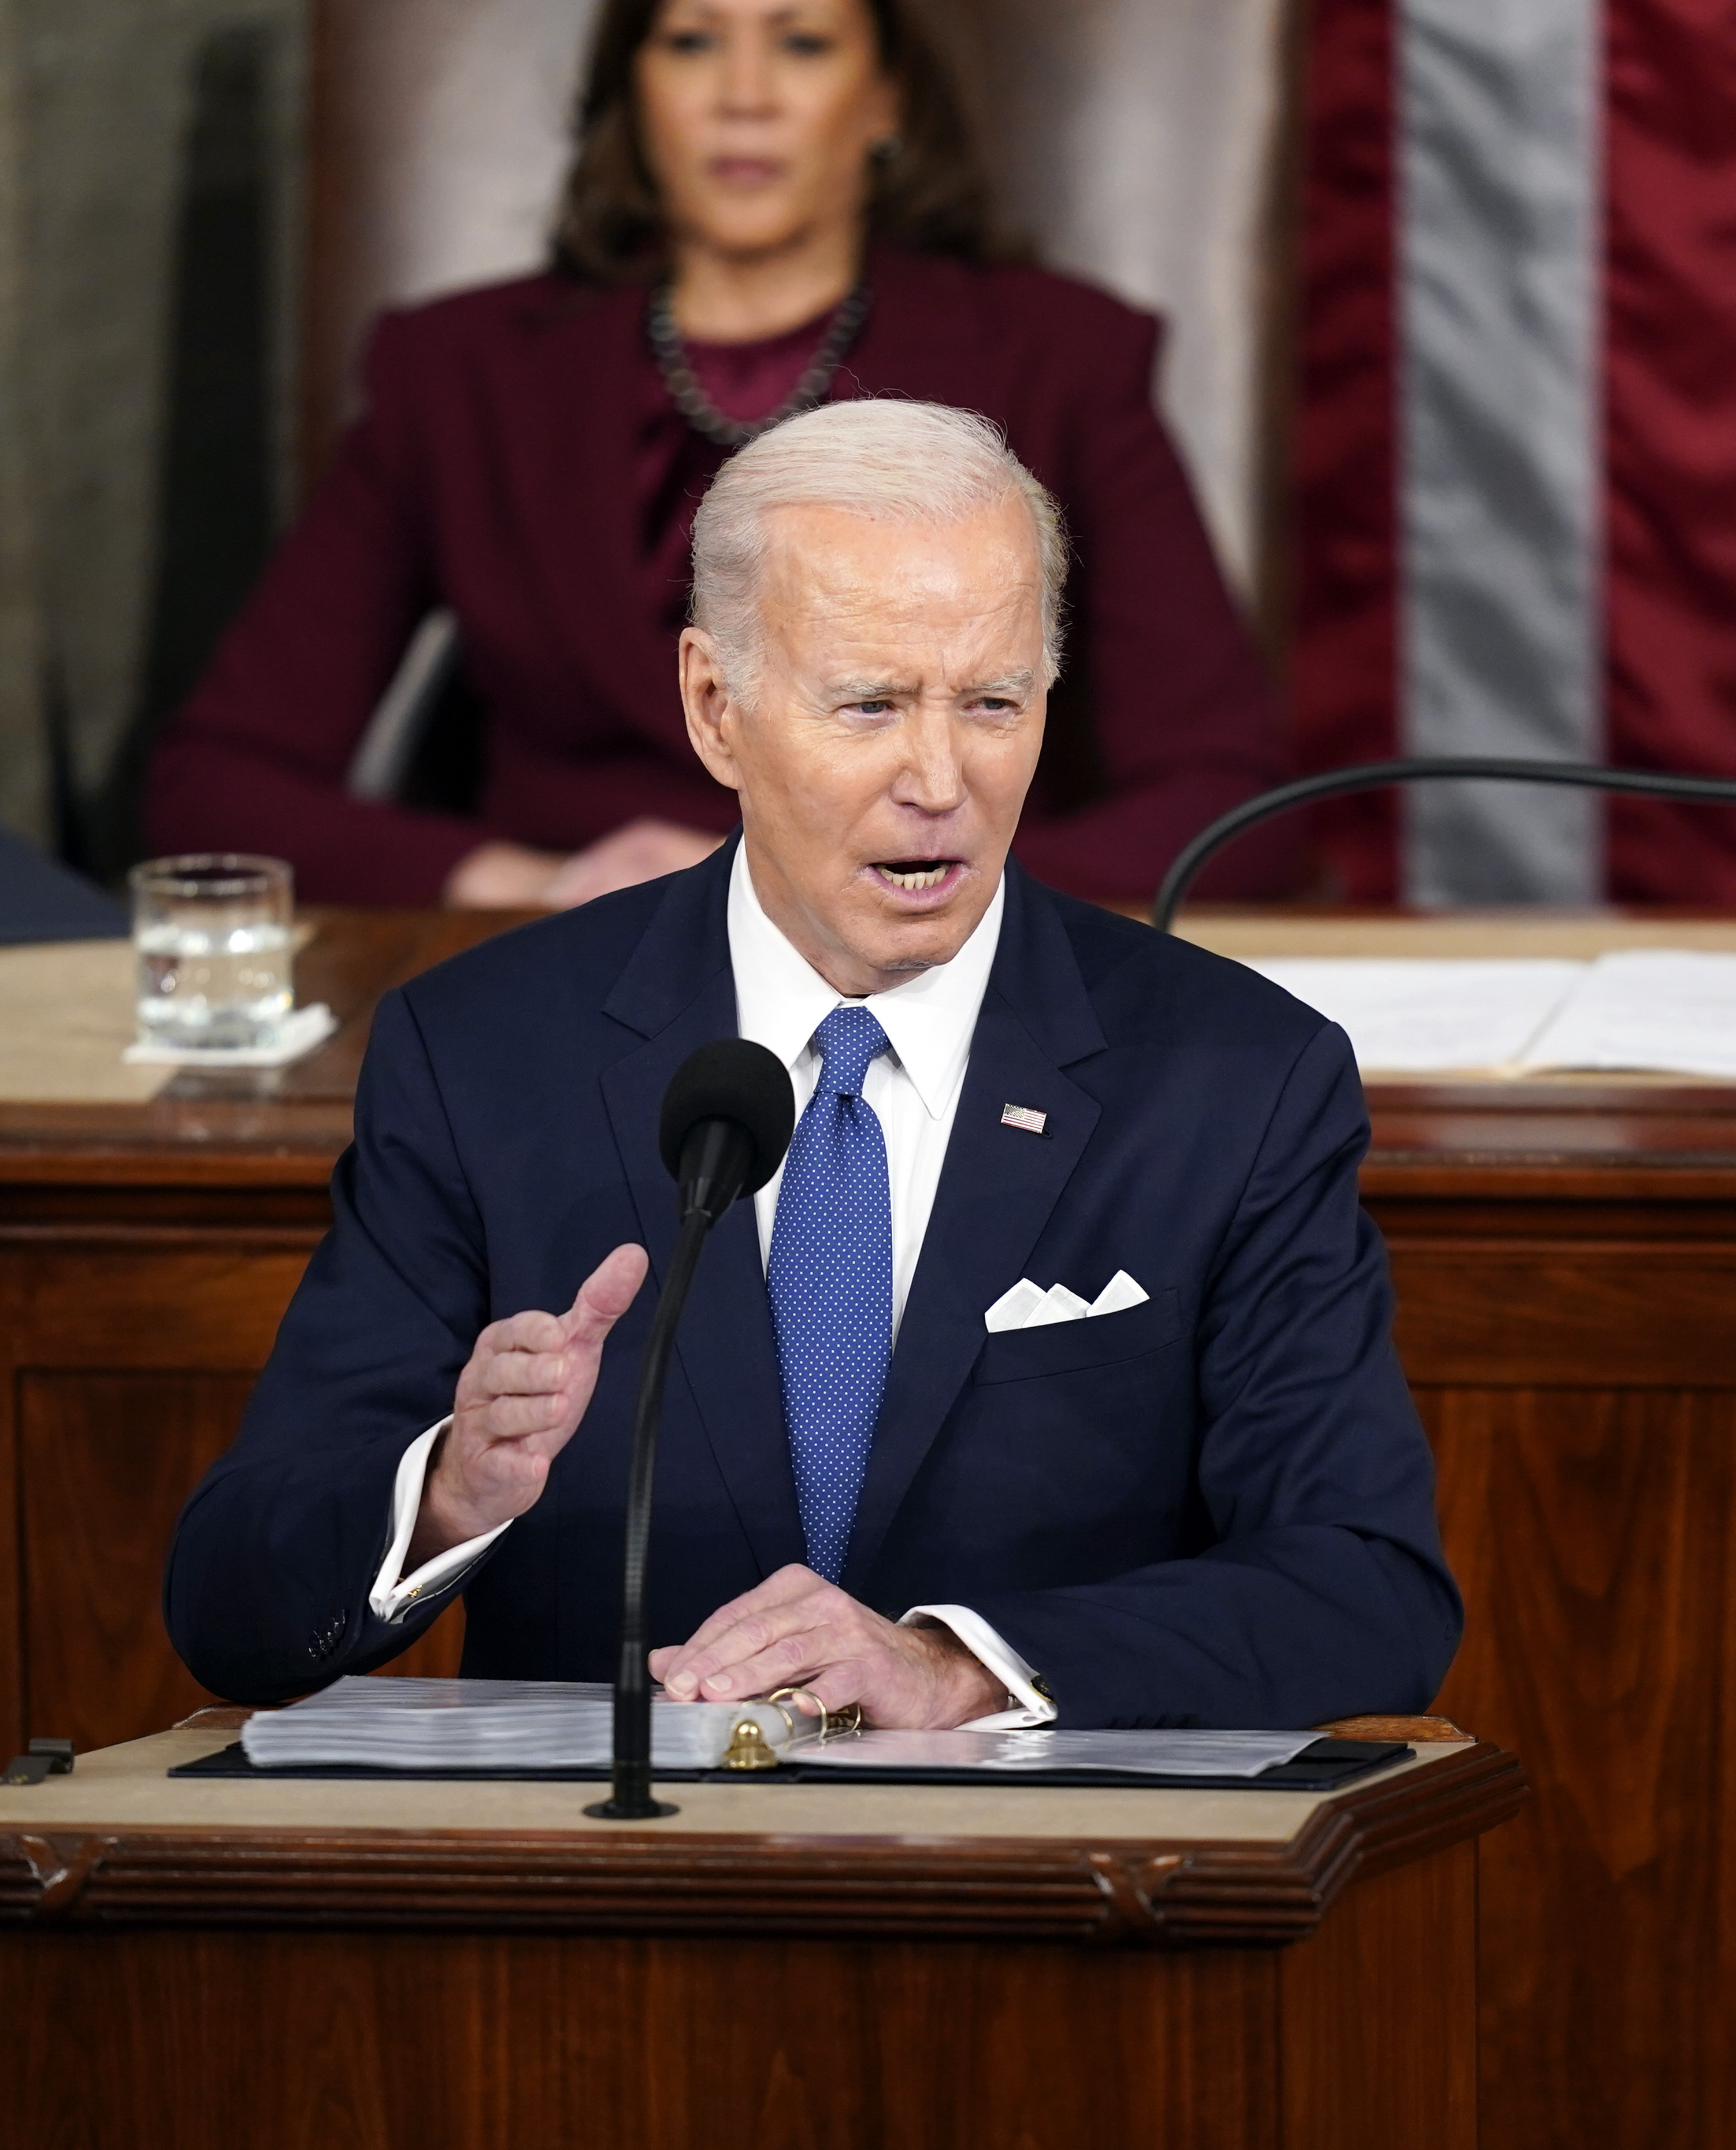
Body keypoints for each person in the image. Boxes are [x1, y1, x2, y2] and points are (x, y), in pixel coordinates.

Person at [161, 401, 1457, 1730]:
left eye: (994, 702)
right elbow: (232, 1609)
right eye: (871, 704)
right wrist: (444, 1490)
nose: (941, 777)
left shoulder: (1234, 1079)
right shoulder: (483, 1056)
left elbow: (1366, 1589)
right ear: (717, 708)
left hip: (1054, 1896)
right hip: (613, 1906)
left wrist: (958, 1668)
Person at [142, 0, 1296, 911]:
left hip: (939, 970)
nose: (744, 98)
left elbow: (1231, 801)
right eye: (693, 42)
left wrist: (915, 894)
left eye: (800, 43)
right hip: (585, 973)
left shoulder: (1061, 358)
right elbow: (215, 784)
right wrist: (525, 883)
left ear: (885, 94)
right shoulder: (457, 373)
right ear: (634, 94)